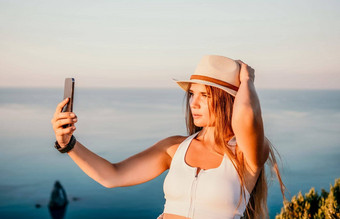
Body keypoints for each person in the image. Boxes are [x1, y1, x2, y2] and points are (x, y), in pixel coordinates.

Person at [51, 55, 285, 219]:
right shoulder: (174, 147)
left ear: (229, 100)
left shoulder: (246, 154)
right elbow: (113, 176)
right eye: (192, 93)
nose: (194, 102)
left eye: (205, 95)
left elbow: (246, 116)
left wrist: (246, 82)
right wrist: (68, 144)